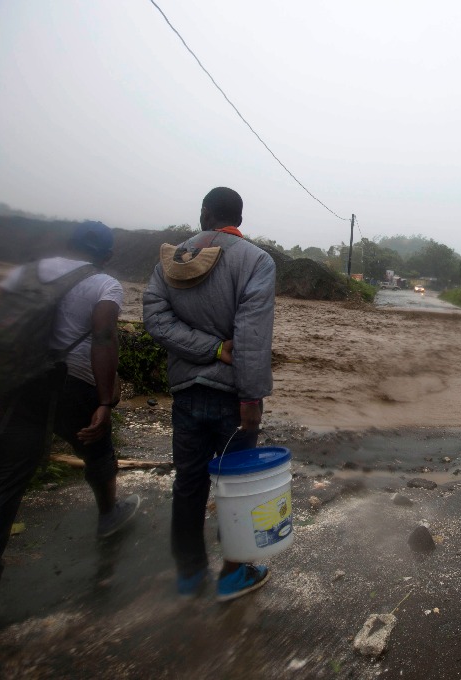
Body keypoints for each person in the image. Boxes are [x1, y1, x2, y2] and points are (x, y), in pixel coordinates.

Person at [0, 221, 139, 630]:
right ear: (106, 255)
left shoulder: (24, 273)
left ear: (69, 244)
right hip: (72, 385)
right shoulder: (104, 284)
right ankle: (109, 515)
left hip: (17, 388)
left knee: (4, 485)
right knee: (97, 448)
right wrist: (106, 401)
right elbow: (104, 338)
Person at [143, 187, 276, 601]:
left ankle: (189, 575)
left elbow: (154, 317)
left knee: (188, 483)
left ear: (204, 213)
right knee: (238, 487)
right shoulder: (256, 260)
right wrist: (251, 396)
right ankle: (233, 574)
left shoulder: (172, 258)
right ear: (238, 216)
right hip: (233, 396)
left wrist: (203, 348)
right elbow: (251, 334)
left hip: (185, 391)